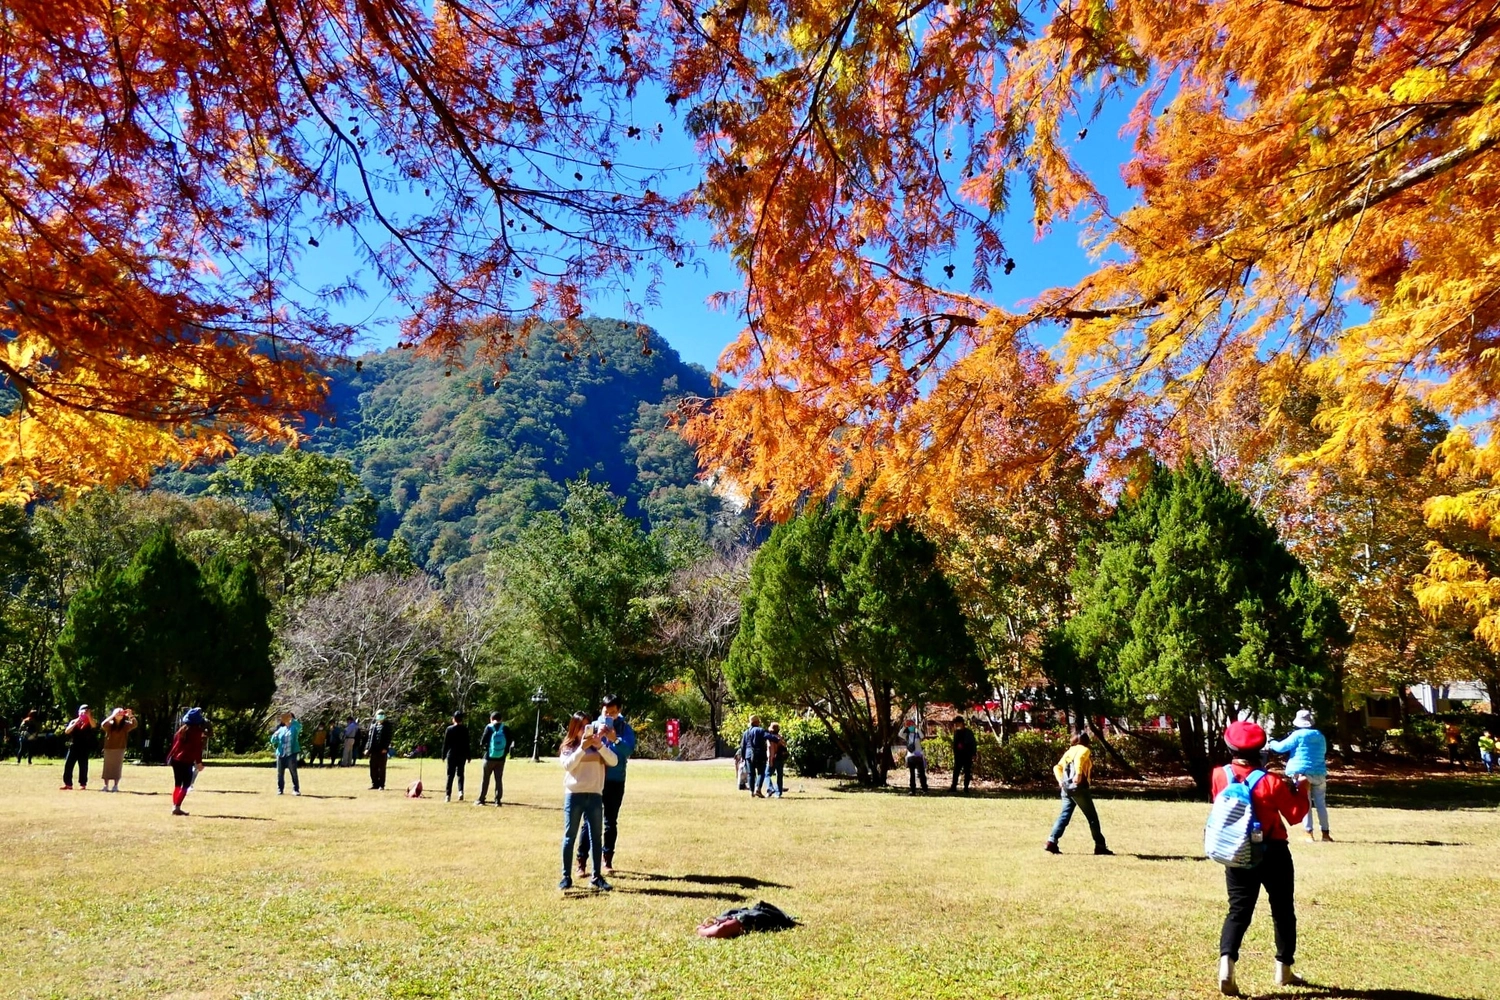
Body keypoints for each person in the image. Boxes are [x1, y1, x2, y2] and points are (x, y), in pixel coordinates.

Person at [1213, 720, 1312, 994]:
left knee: (1238, 911)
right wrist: (1301, 789)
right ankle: (1284, 969)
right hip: (1274, 851)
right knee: (1282, 909)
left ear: (1230, 747)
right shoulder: (1271, 781)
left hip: (1236, 851)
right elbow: (1294, 815)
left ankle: (1227, 964)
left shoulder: (1219, 775)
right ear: (1260, 749)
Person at [575, 695, 636, 875]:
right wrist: (597, 737)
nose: (609, 715)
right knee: (588, 821)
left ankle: (607, 860)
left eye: (613, 712)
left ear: (619, 711)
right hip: (594, 778)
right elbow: (582, 748)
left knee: (610, 821)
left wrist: (615, 739)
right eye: (605, 712)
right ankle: (581, 862)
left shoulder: (625, 728)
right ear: (601, 710)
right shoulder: (592, 725)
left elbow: (628, 750)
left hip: (615, 780)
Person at [558, 712, 618, 891]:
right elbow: (568, 765)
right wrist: (581, 748)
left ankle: (596, 876)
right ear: (574, 728)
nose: (585, 729)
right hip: (574, 794)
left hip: (594, 795)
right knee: (570, 837)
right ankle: (566, 877)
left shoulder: (598, 746)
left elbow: (613, 761)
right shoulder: (569, 746)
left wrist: (599, 745)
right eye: (582, 726)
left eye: (588, 725)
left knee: (596, 837)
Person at [1044, 732, 1112, 855]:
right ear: (1086, 741)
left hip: (1066, 789)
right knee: (1092, 818)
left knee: (1064, 816)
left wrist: (1061, 781)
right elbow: (1079, 759)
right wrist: (1078, 774)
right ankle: (1100, 846)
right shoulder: (1084, 750)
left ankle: (1051, 842)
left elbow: (1057, 767)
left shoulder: (1069, 751)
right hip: (1079, 788)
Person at [1267, 709, 1330, 842]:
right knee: (1321, 804)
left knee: (1305, 802)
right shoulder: (1320, 735)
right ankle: (1325, 834)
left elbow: (1280, 747)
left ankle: (1309, 833)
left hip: (1302, 774)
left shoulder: (1297, 735)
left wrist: (1271, 742)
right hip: (1319, 772)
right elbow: (1323, 750)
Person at [167, 708, 210, 817]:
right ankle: (177, 807)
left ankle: (174, 805)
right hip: (186, 761)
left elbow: (175, 745)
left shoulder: (181, 730)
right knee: (185, 785)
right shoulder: (196, 733)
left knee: (177, 784)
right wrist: (199, 763)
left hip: (176, 760)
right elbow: (197, 749)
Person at [477, 711, 512, 807]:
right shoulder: (505, 728)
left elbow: (482, 742)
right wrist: (505, 753)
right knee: (498, 779)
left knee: (485, 779)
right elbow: (509, 742)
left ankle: (481, 799)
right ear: (501, 719)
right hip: (501, 758)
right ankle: (498, 800)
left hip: (489, 757)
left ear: (491, 719)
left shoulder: (489, 728)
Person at [99, 707, 137, 792]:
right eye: (118, 712)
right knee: (107, 767)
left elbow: (134, 724)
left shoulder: (125, 725)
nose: (119, 714)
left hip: (120, 748)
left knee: (117, 767)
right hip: (108, 748)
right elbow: (103, 724)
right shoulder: (110, 724)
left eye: (121, 712)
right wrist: (112, 716)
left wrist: (130, 715)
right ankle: (106, 785)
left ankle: (115, 786)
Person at [60, 705, 97, 790]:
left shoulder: (90, 721)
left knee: (83, 766)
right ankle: (68, 784)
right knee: (68, 765)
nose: (84, 713)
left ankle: (83, 784)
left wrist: (88, 716)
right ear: (78, 712)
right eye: (82, 711)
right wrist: (76, 722)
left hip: (84, 747)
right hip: (74, 746)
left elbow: (94, 726)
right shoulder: (74, 721)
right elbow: (67, 731)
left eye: (86, 711)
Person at [269, 712, 302, 796]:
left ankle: (296, 789)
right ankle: (280, 789)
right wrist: (274, 736)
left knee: (293, 772)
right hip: (281, 754)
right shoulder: (281, 729)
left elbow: (299, 726)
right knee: (280, 773)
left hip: (291, 753)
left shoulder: (294, 728)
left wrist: (292, 719)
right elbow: (273, 741)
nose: (286, 720)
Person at [441, 710, 469, 802]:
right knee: (460, 774)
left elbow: (446, 743)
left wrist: (443, 755)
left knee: (450, 775)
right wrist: (469, 755)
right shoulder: (465, 729)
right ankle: (460, 791)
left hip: (451, 754)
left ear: (454, 719)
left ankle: (448, 795)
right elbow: (467, 744)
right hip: (462, 755)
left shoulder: (449, 729)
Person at [739, 715, 768, 798]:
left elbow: (743, 746)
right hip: (759, 754)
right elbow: (767, 737)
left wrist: (743, 756)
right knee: (761, 772)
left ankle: (751, 792)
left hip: (748, 755)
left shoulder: (746, 732)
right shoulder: (760, 730)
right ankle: (757, 789)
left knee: (750, 774)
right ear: (756, 722)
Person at [366, 711, 393, 790]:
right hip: (373, 750)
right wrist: (367, 748)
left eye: (382, 714)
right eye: (379, 714)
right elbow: (369, 738)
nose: (380, 716)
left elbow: (388, 738)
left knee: (381, 768)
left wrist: (385, 748)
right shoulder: (373, 726)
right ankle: (375, 784)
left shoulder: (387, 726)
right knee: (373, 768)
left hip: (382, 750)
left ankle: (381, 785)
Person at [950, 717, 977, 792]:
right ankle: (953, 786)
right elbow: (955, 745)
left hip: (967, 754)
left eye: (957, 723)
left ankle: (966, 787)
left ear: (961, 723)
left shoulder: (968, 732)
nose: (956, 725)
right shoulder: (956, 733)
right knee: (956, 771)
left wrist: (974, 754)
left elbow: (973, 743)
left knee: (967, 771)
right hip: (958, 755)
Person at [901, 719, 928, 794]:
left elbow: (922, 736)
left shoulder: (917, 735)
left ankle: (924, 789)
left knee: (921, 773)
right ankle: (913, 790)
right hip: (910, 756)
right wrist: (904, 727)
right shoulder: (907, 735)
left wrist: (916, 728)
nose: (911, 727)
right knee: (912, 774)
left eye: (911, 725)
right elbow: (900, 734)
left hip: (918, 755)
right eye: (910, 726)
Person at [765, 722, 788, 798]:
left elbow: (770, 749)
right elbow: (785, 745)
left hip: (773, 758)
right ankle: (778, 793)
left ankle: (770, 788)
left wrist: (770, 760)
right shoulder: (780, 737)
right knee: (779, 775)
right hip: (780, 758)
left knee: (767, 774)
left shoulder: (771, 739)